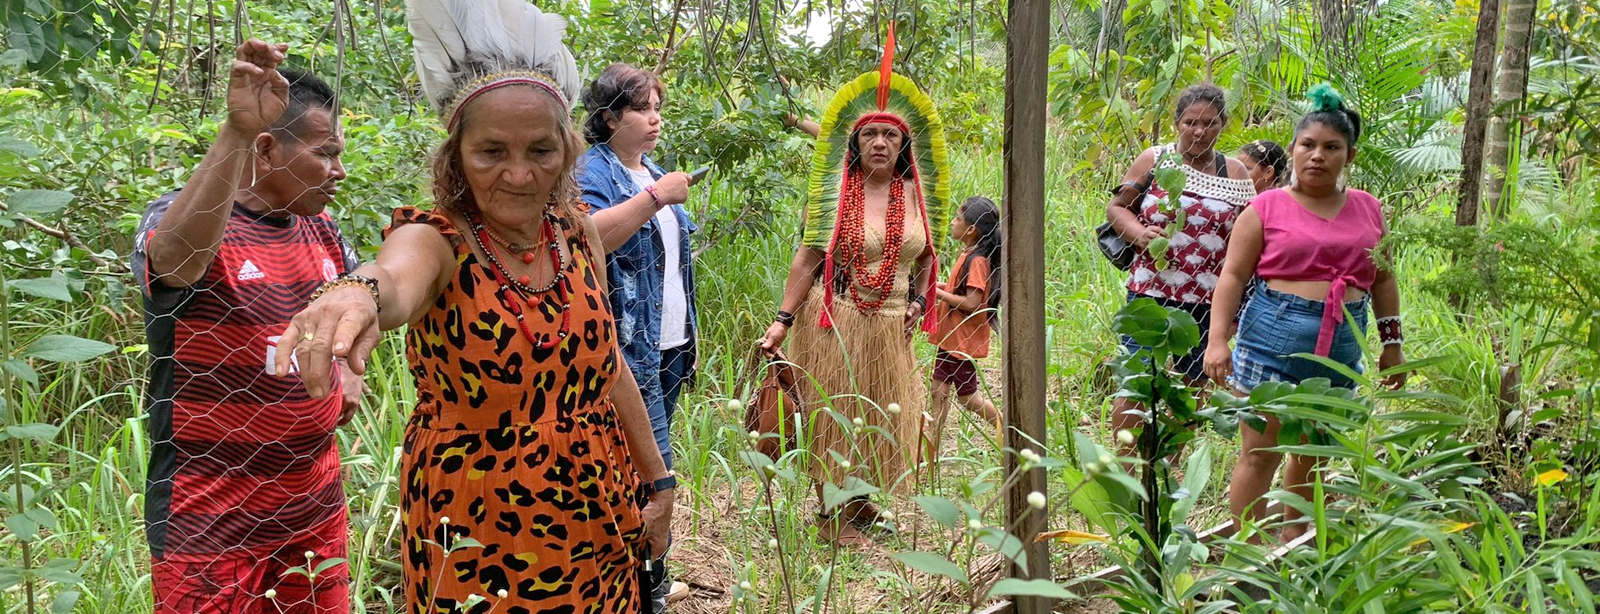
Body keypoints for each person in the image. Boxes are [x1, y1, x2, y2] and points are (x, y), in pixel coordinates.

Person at [272, 2, 676, 611]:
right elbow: (394, 278)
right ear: (457, 154)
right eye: (491, 151)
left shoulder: (575, 233)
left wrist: (659, 481)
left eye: (540, 150)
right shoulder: (438, 239)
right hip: (478, 522)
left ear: (567, 151)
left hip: (598, 503)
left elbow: (607, 363)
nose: (519, 174)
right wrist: (355, 290)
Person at [131, 40, 359, 614]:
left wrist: (352, 368)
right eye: (326, 154)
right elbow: (177, 262)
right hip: (208, 529)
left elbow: (361, 303)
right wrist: (234, 130)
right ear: (266, 148)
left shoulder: (322, 230)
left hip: (314, 515)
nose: (340, 171)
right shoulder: (181, 220)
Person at [758, 25, 949, 546]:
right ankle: (830, 516)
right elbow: (808, 258)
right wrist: (782, 320)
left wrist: (919, 303)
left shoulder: (917, 195)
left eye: (890, 135)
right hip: (836, 318)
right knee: (836, 411)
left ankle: (860, 501)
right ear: (855, 142)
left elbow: (927, 256)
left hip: (891, 326)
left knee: (878, 409)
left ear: (903, 144)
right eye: (869, 135)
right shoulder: (834, 194)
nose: (880, 143)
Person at [1204, 84, 1407, 540]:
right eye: (1308, 145)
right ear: (1293, 149)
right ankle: (1248, 550)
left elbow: (1383, 279)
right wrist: (1217, 340)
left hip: (1342, 343)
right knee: (1260, 452)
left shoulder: (1369, 209)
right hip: (1270, 337)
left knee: (1313, 451)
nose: (1318, 156)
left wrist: (1392, 344)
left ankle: (1293, 543)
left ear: (1349, 155)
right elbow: (1232, 276)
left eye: (1332, 147)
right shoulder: (1265, 207)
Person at [578, 62, 697, 611]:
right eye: (641, 109)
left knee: (642, 470)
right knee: (655, 478)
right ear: (609, 117)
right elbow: (586, 238)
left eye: (657, 109)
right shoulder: (592, 173)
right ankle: (649, 593)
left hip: (669, 345)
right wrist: (656, 198)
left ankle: (642, 581)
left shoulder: (652, 170)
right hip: (626, 353)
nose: (654, 119)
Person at [1102, 83, 1256, 456]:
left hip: (1208, 302)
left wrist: (1237, 310)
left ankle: (1167, 466)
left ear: (1223, 124)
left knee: (1192, 385)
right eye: (1190, 122)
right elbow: (1117, 208)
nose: (1199, 131)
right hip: (1150, 293)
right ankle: (1126, 469)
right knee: (1136, 379)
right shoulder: (1154, 160)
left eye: (1209, 123)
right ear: (1177, 123)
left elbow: (1252, 233)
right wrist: (1139, 234)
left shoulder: (1235, 172)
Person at [925, 196, 1004, 461]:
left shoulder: (978, 261)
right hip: (951, 338)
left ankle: (1007, 429)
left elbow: (971, 302)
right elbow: (957, 291)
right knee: (938, 392)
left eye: (957, 218)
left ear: (971, 229)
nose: (952, 222)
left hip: (962, 340)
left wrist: (937, 294)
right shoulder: (970, 254)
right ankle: (930, 454)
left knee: (969, 399)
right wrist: (937, 288)